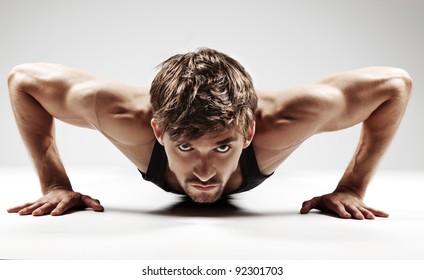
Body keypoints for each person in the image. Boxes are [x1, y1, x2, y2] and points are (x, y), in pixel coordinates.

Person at [6, 48, 412, 219]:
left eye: (222, 146)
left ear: (249, 131)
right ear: (158, 131)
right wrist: (55, 183)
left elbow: (395, 85)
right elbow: (23, 81)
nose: (204, 171)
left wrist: (353, 187)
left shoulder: (289, 118)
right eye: (185, 146)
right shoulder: (114, 112)